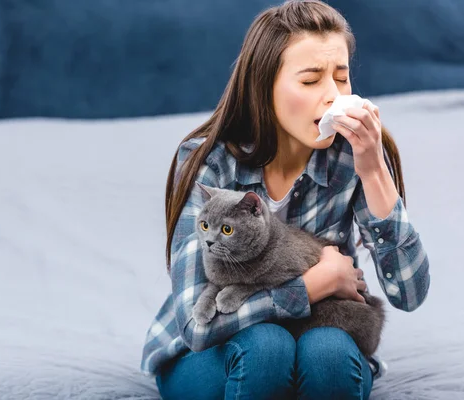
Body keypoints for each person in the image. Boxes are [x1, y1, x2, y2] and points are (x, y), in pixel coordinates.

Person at [140, 1, 430, 399]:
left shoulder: (354, 157)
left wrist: (374, 171)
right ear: (264, 87)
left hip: (315, 336)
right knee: (267, 349)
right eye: (311, 81)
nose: (333, 95)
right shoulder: (207, 162)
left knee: (328, 356)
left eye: (342, 78)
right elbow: (198, 326)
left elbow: (409, 294)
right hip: (214, 350)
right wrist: (312, 286)